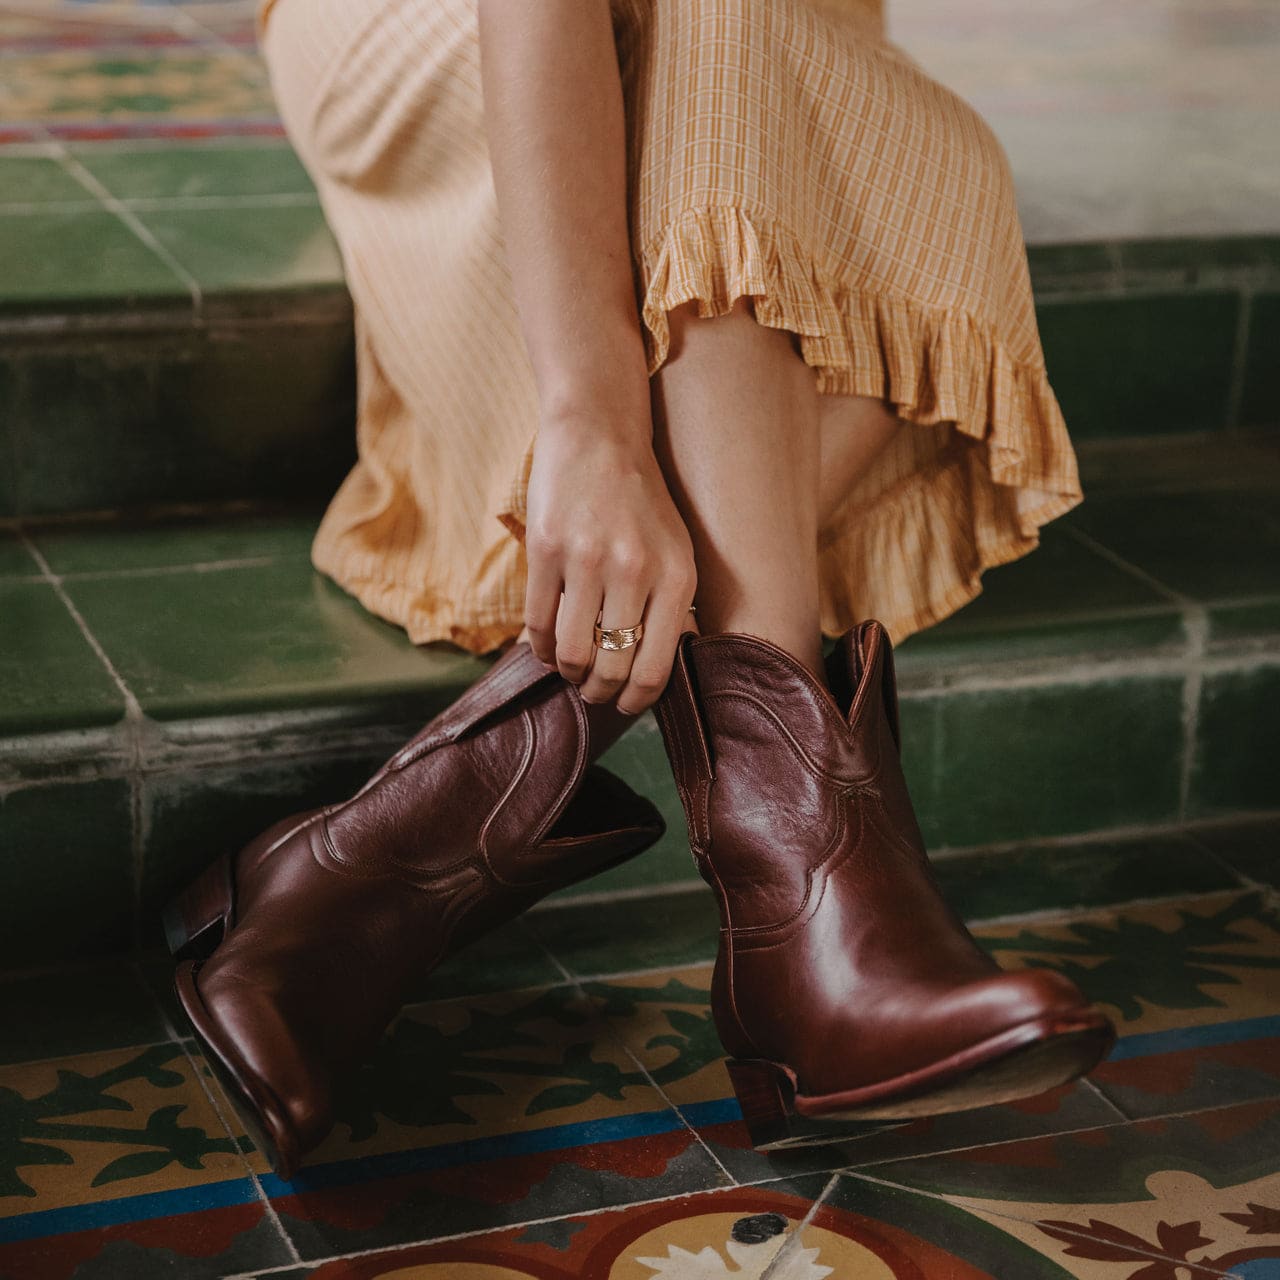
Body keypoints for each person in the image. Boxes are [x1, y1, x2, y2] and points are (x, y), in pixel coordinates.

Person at [162, 0, 1115, 1179]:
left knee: (923, 161)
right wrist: (593, 424)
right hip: (457, 37)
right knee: (716, 55)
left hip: (763, 58)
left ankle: (411, 838)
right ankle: (801, 906)